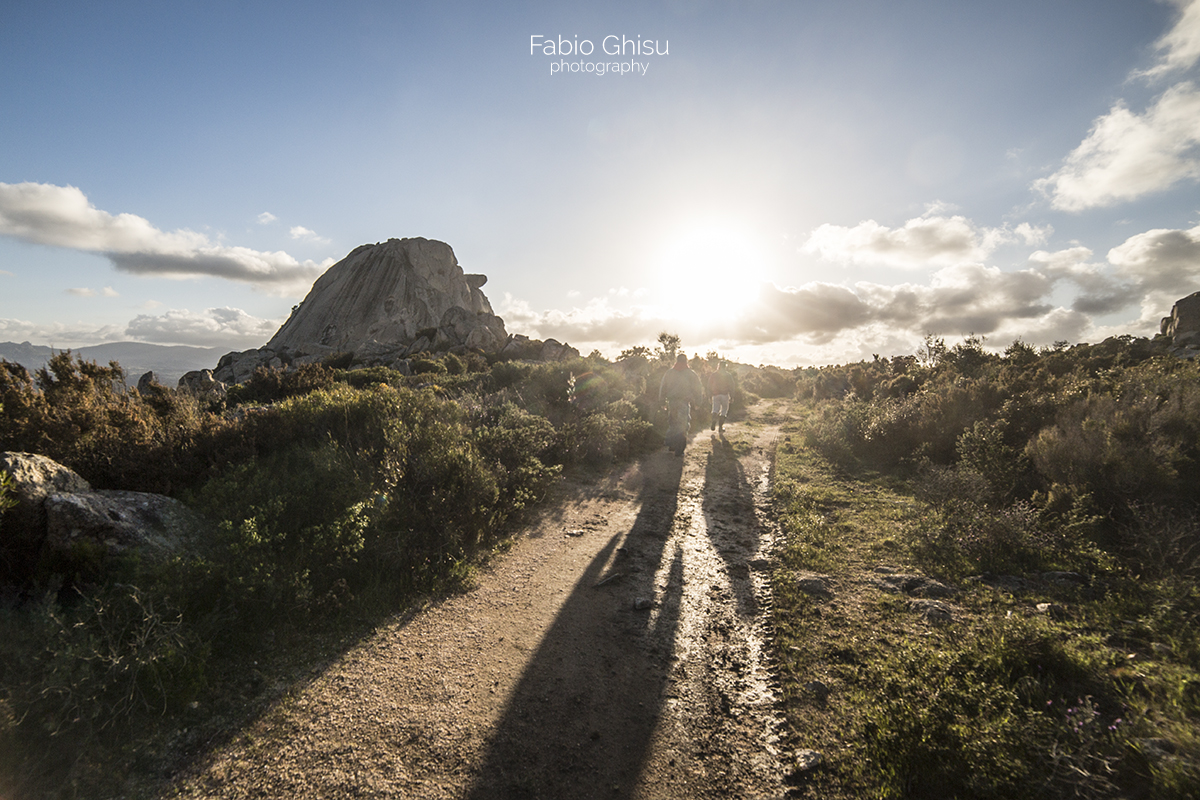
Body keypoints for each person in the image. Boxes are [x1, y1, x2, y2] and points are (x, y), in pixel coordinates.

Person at [658, 353, 704, 456]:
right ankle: (679, 450)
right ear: (686, 362)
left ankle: (671, 444)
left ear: (676, 361)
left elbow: (663, 387)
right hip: (683, 403)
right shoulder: (691, 373)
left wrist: (662, 402)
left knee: (673, 423)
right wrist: (698, 402)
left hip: (672, 402)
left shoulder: (669, 373)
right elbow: (698, 388)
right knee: (683, 426)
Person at [708, 361, 736, 433]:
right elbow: (732, 386)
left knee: (715, 409)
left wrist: (709, 395)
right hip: (725, 394)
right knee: (724, 411)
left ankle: (713, 421)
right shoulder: (728, 375)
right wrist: (732, 396)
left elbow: (709, 385)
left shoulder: (714, 374)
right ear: (725, 366)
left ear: (719, 366)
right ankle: (720, 427)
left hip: (715, 394)